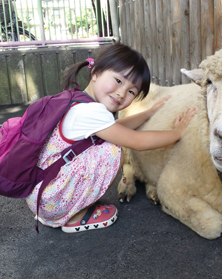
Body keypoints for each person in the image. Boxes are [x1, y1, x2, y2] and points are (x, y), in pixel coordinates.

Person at [25, 43, 197, 233]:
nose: (122, 93)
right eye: (118, 80)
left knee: (108, 141)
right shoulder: (92, 111)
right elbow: (137, 141)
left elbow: (115, 128)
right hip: (53, 200)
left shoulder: (77, 99)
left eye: (132, 91)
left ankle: (69, 204)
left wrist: (148, 113)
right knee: (113, 151)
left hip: (41, 196)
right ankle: (76, 216)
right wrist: (177, 133)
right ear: (96, 73)